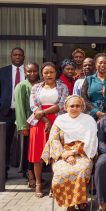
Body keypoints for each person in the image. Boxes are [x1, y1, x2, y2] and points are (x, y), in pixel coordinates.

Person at [41, 95, 98, 210]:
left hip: (83, 154)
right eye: (72, 106)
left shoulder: (88, 120)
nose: (74, 108)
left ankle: (80, 200)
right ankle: (70, 204)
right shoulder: (60, 120)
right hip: (62, 155)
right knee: (61, 173)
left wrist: (73, 152)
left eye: (78, 106)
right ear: (66, 107)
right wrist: (64, 155)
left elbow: (90, 141)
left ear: (82, 107)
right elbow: (53, 139)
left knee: (80, 171)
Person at [29, 62, 69, 198]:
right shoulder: (36, 87)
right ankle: (38, 183)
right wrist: (45, 119)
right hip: (39, 122)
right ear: (42, 74)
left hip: (57, 121)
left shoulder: (62, 86)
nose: (48, 75)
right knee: (37, 155)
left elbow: (62, 105)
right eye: (46, 72)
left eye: (51, 72)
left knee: (55, 154)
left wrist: (45, 113)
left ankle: (54, 184)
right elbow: (34, 106)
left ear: (56, 73)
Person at [0, 47, 25, 178]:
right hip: (6, 112)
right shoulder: (2, 72)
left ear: (24, 57)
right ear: (11, 56)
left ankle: (27, 172)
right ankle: (3, 171)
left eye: (20, 55)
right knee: (4, 142)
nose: (18, 57)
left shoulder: (30, 72)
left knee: (26, 142)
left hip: (25, 113)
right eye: (15, 55)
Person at [14, 62, 39, 188]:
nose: (32, 74)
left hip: (39, 122)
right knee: (26, 150)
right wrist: (23, 125)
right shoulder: (21, 86)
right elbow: (19, 107)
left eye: (35, 71)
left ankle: (35, 174)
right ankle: (29, 175)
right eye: (29, 71)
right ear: (25, 71)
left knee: (35, 150)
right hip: (27, 123)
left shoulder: (40, 84)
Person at [81, 53, 106, 121]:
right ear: (95, 64)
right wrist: (96, 111)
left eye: (105, 63)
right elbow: (83, 98)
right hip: (91, 116)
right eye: (100, 63)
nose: (103, 65)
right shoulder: (89, 79)